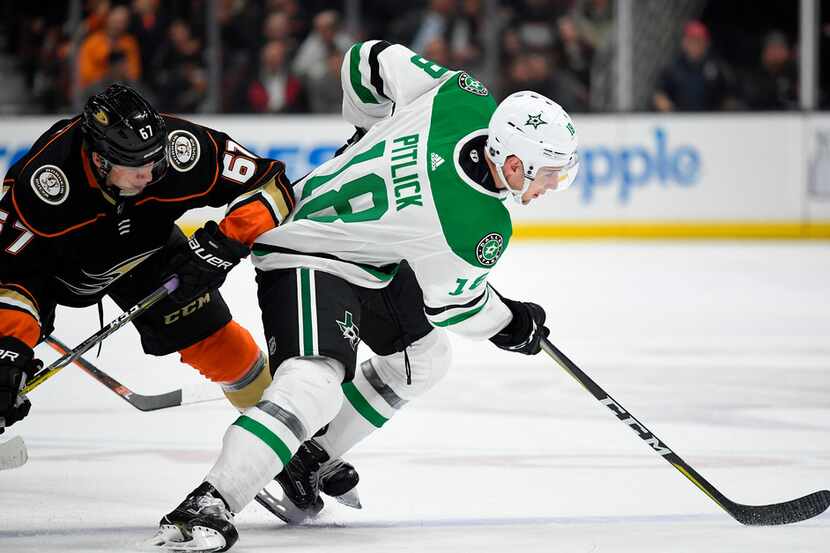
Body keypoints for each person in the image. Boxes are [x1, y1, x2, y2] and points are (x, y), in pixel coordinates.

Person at [148, 41, 580, 553]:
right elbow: (455, 306)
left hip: (368, 258)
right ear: (511, 161)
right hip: (302, 248)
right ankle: (212, 500)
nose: (553, 184)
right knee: (314, 383)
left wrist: (365, 131)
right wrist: (512, 322)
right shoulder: (480, 224)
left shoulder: (461, 97)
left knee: (424, 359)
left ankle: (307, 457)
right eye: (548, 172)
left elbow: (366, 59)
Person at [0, 84, 294, 435]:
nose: (150, 174)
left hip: (146, 249)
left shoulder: (181, 148)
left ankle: (288, 438)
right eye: (136, 167)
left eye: (155, 161)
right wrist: (8, 349)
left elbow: (272, 183)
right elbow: (10, 275)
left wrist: (225, 243)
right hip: (56, 267)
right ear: (99, 160)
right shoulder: (45, 184)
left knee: (224, 348)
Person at [652, 20, 736, 112]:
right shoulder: (672, 68)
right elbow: (660, 94)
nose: (695, 45)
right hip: (680, 120)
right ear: (684, 42)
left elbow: (729, 95)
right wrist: (668, 108)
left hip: (710, 120)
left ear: (706, 43)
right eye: (691, 41)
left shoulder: (716, 67)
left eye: (699, 41)